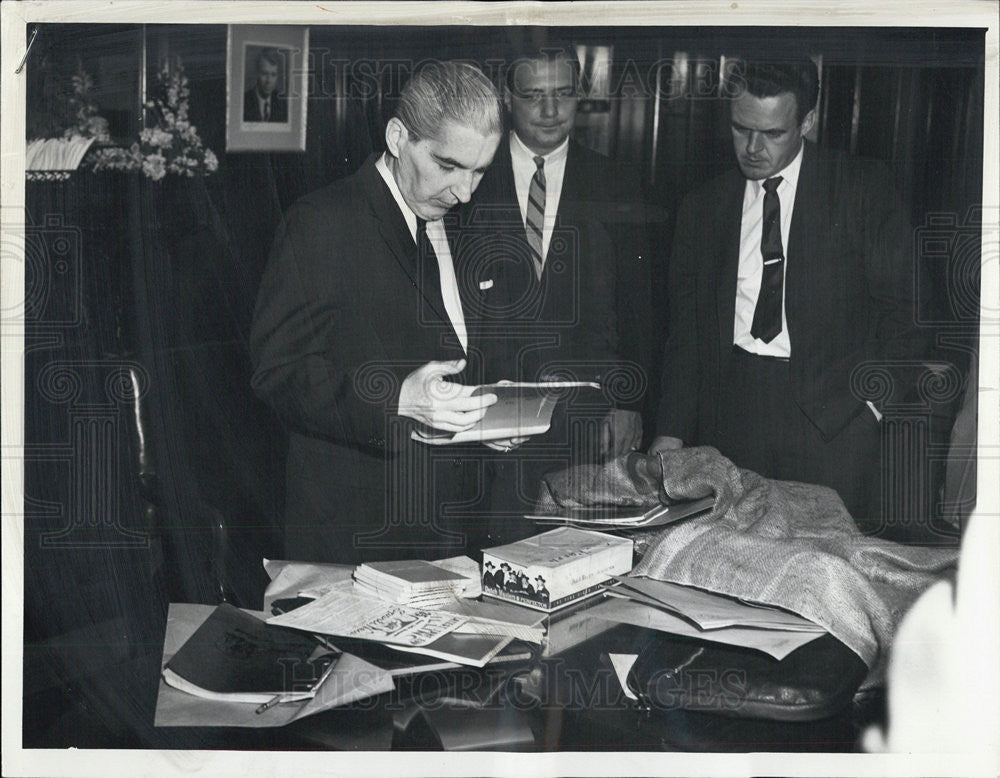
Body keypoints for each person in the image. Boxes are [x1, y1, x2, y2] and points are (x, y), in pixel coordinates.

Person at [251, 61, 511, 563]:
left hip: (452, 528)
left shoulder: (459, 219)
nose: (465, 192)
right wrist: (394, 401)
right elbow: (277, 374)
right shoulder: (323, 223)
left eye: (480, 171)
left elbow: (455, 351)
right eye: (448, 165)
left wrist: (493, 417)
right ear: (397, 137)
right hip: (357, 532)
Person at [650, 58, 926, 527]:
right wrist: (671, 435)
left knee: (819, 571)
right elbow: (687, 335)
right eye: (741, 129)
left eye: (773, 133)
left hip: (833, 424)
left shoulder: (861, 189)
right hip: (728, 421)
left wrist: (871, 410)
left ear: (808, 123)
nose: (753, 148)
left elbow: (907, 315)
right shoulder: (702, 206)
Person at [458, 43, 659, 541]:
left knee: (576, 560)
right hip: (487, 421)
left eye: (563, 94)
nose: (550, 111)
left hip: (584, 421)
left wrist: (627, 401)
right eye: (533, 96)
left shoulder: (617, 181)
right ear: (507, 97)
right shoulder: (470, 179)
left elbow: (639, 307)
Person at [243, 48, 288, 123]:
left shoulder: (282, 104)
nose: (268, 80)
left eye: (273, 75)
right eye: (264, 74)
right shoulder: (244, 102)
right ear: (257, 74)